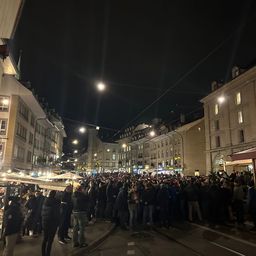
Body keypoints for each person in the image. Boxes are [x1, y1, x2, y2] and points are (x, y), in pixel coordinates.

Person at [41, 190, 60, 256]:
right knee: (50, 240)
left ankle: (43, 254)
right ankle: (48, 254)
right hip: (52, 223)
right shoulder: (56, 202)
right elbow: (56, 214)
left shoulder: (45, 200)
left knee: (45, 239)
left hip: (45, 222)